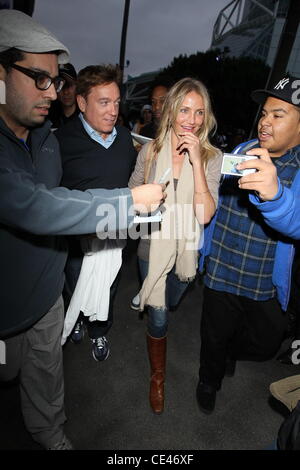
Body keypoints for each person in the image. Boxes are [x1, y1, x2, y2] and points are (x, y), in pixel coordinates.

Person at [0, 9, 164, 450]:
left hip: (46, 295)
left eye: (54, 81)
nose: (53, 92)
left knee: (46, 375)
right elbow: (38, 205)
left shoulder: (44, 138)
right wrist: (130, 203)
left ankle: (52, 435)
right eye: (39, 78)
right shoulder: (58, 139)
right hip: (6, 311)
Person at [196, 74, 300, 415]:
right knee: (213, 336)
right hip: (222, 268)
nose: (265, 122)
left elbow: (295, 220)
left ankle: (230, 351)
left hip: (262, 282)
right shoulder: (241, 150)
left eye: (277, 115)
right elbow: (211, 195)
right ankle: (208, 381)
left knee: (266, 342)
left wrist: (274, 195)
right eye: (264, 113)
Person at [128, 77, 222, 414]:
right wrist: (144, 200)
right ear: (171, 111)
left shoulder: (213, 157)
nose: (192, 120)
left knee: (174, 297)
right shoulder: (151, 151)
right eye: (184, 110)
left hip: (187, 250)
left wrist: (197, 162)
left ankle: (155, 300)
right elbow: (131, 193)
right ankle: (157, 376)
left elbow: (205, 213)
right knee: (159, 316)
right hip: (151, 247)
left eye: (199, 112)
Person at [56, 64, 137, 361]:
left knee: (110, 288)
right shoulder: (61, 141)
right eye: (104, 102)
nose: (113, 110)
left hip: (115, 237)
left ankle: (99, 331)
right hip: (77, 240)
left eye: (116, 102)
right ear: (81, 102)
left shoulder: (126, 139)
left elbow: (131, 182)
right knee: (74, 283)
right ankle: (76, 316)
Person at [49, 62, 79, 128]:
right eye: (60, 85)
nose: (65, 92)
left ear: (77, 86)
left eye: (70, 85)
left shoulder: (87, 117)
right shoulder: (46, 117)